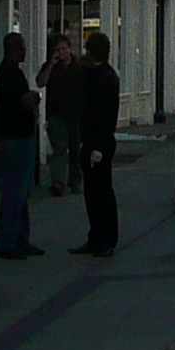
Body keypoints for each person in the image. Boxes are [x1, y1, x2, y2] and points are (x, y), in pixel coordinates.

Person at [68, 30, 125, 255]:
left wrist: (97, 147)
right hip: (98, 139)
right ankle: (99, 237)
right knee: (98, 191)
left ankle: (103, 239)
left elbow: (102, 113)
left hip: (97, 141)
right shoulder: (106, 75)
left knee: (98, 192)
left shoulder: (100, 78)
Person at [0, 34, 41, 258]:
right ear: (15, 49)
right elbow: (23, 102)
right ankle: (9, 241)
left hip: (14, 134)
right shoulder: (11, 72)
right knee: (16, 190)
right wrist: (34, 97)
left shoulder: (5, 71)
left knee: (20, 190)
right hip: (18, 136)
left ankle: (20, 238)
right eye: (22, 47)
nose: (25, 51)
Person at [40, 34, 79, 196]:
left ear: (70, 49)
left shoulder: (78, 67)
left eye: (64, 49)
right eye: (57, 49)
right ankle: (58, 182)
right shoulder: (50, 66)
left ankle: (75, 181)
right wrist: (51, 65)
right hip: (57, 114)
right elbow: (40, 82)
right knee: (59, 151)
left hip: (75, 114)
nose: (61, 52)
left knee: (76, 151)